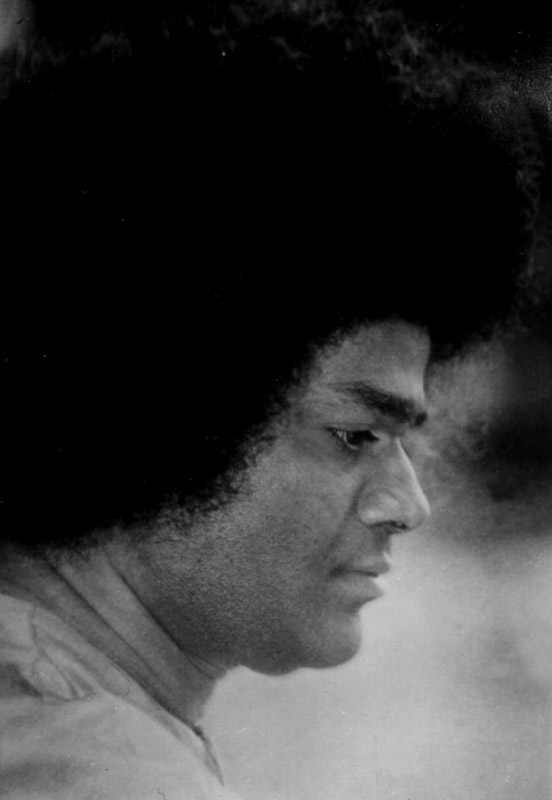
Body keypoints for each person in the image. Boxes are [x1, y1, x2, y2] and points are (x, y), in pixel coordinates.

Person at [0, 1, 544, 797]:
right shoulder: (103, 774)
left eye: (405, 442)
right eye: (356, 435)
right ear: (168, 408)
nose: (409, 505)